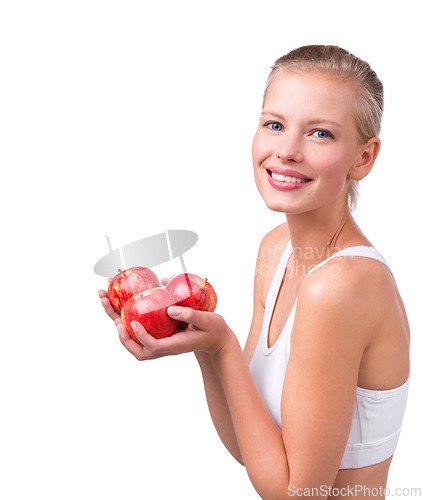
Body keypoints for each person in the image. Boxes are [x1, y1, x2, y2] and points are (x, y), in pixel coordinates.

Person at [99, 45, 410, 499]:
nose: (286, 150)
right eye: (275, 124)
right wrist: (204, 347)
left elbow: (294, 493)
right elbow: (251, 448)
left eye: (320, 133)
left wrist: (223, 344)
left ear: (363, 158)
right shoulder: (277, 250)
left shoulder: (341, 287)